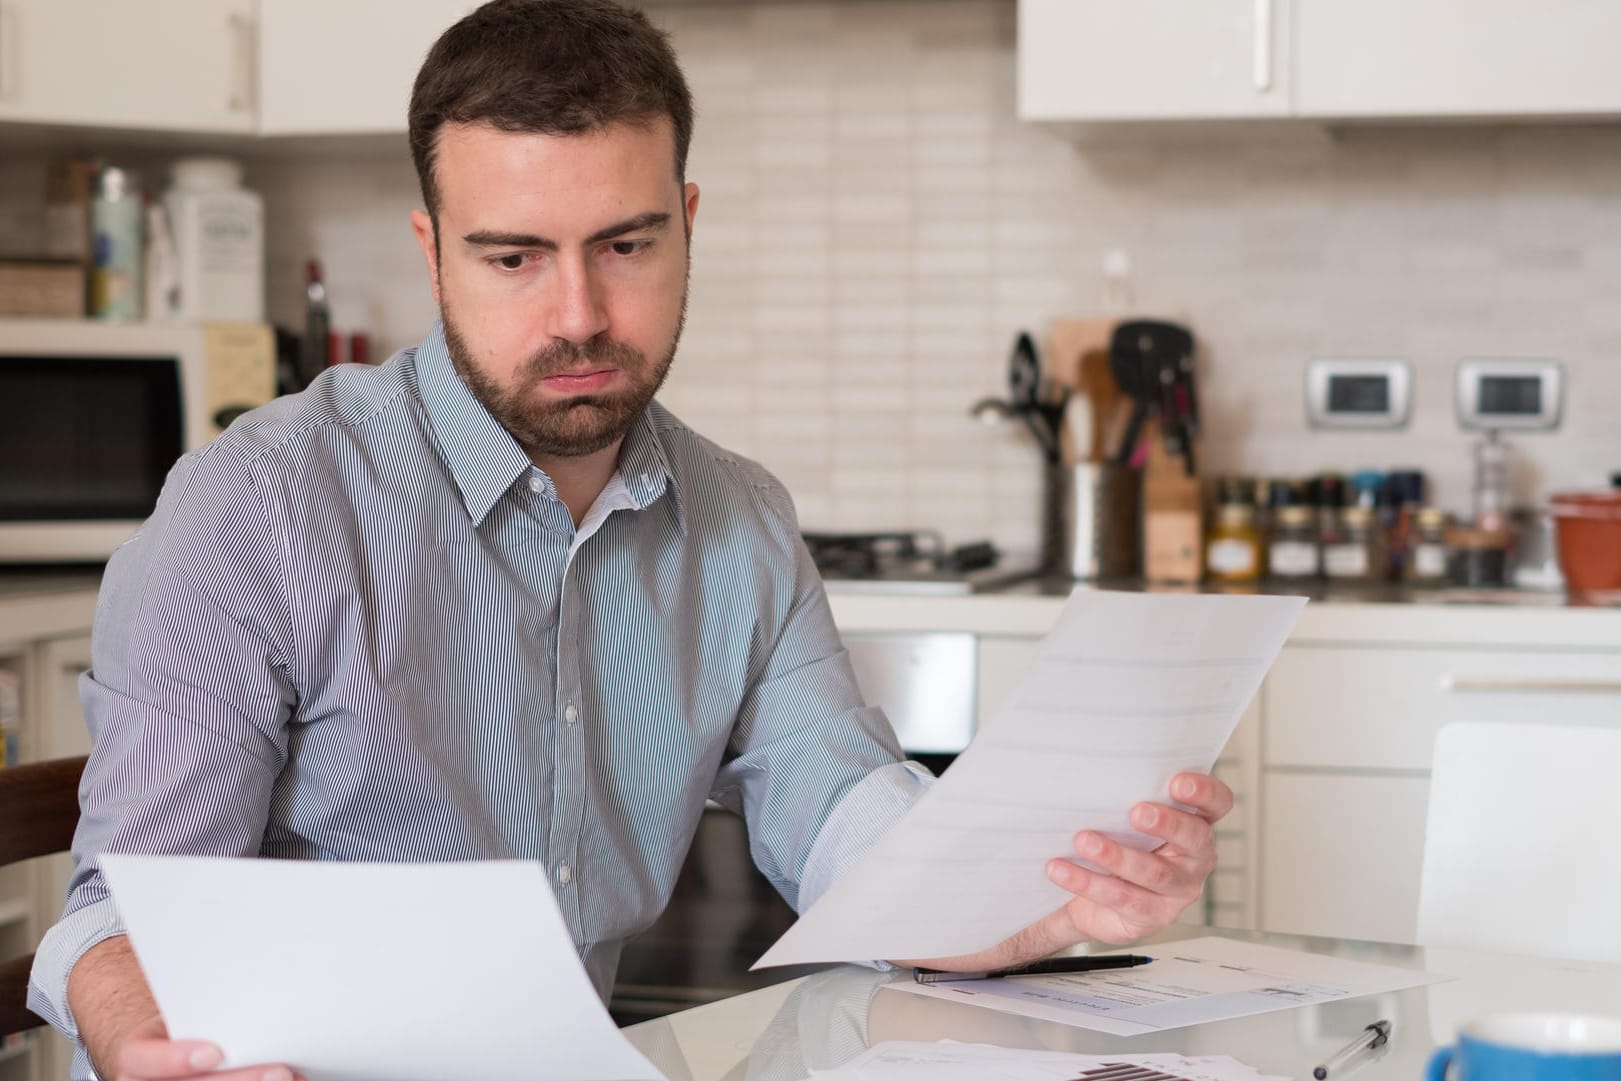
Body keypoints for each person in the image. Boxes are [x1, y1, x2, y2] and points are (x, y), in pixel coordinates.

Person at [29, 3, 1232, 1079]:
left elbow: (847, 829)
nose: (580, 316)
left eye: (628, 245)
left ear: (688, 222)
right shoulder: (257, 507)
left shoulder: (740, 520)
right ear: (430, 247)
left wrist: (1050, 897)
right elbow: (118, 911)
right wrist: (147, 1042)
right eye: (513, 258)